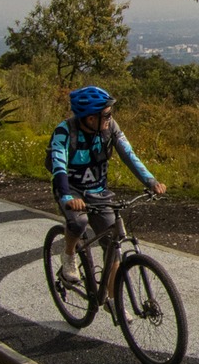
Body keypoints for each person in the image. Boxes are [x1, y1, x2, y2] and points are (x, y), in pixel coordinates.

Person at [49, 85, 165, 291]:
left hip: (98, 191)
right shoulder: (64, 132)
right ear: (91, 118)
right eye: (106, 114)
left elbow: (129, 155)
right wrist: (67, 196)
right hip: (72, 190)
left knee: (114, 241)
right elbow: (58, 166)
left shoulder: (110, 128)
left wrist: (151, 181)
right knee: (79, 221)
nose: (110, 118)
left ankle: (113, 300)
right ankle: (68, 255)